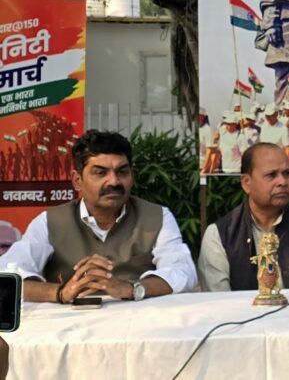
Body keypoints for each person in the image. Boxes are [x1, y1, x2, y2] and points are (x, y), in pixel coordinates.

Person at [0, 130, 196, 303]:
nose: (114, 181)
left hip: (140, 325)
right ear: (77, 180)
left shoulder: (157, 217)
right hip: (70, 327)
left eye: (122, 172)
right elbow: (6, 275)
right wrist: (60, 293)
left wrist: (131, 288)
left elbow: (183, 273)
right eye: (100, 173)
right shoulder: (50, 222)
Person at [198, 143, 289, 291]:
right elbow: (219, 301)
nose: (282, 182)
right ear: (246, 183)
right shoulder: (220, 235)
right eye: (271, 175)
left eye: (287, 173)